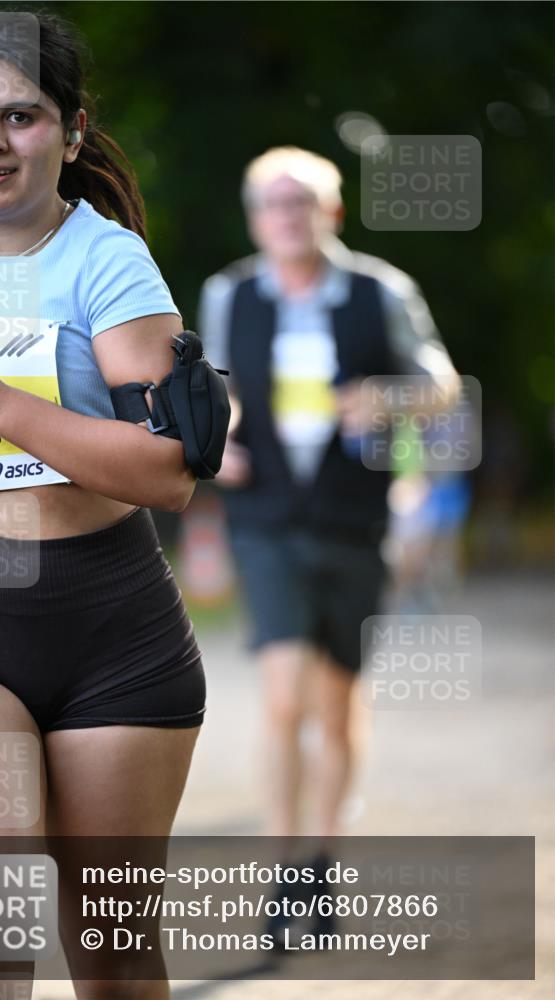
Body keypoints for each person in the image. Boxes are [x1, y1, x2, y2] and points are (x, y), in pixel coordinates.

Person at [0, 11, 206, 998]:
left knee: (111, 954)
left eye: (20, 117)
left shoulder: (108, 265)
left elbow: (168, 471)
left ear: (70, 133)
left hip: (110, 637)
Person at [198, 146, 460, 923]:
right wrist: (218, 442)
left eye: (300, 202)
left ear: (331, 212)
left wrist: (385, 398)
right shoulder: (229, 294)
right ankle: (283, 871)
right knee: (284, 696)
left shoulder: (380, 290)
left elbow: (441, 386)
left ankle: (322, 861)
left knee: (338, 705)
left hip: (356, 519)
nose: (286, 217)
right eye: (271, 204)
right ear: (254, 218)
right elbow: (216, 389)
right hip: (266, 518)